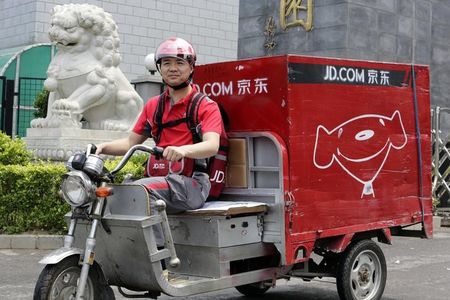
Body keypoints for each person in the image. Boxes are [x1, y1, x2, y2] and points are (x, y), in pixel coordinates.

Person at [96, 37, 224, 245]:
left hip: (191, 184)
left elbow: (212, 145)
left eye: (180, 63)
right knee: (115, 193)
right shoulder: (153, 106)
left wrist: (183, 151)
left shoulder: (205, 105)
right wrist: (101, 148)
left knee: (142, 192)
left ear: (191, 68)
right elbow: (130, 143)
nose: (173, 68)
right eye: (166, 63)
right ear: (159, 68)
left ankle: (158, 258)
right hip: (161, 180)